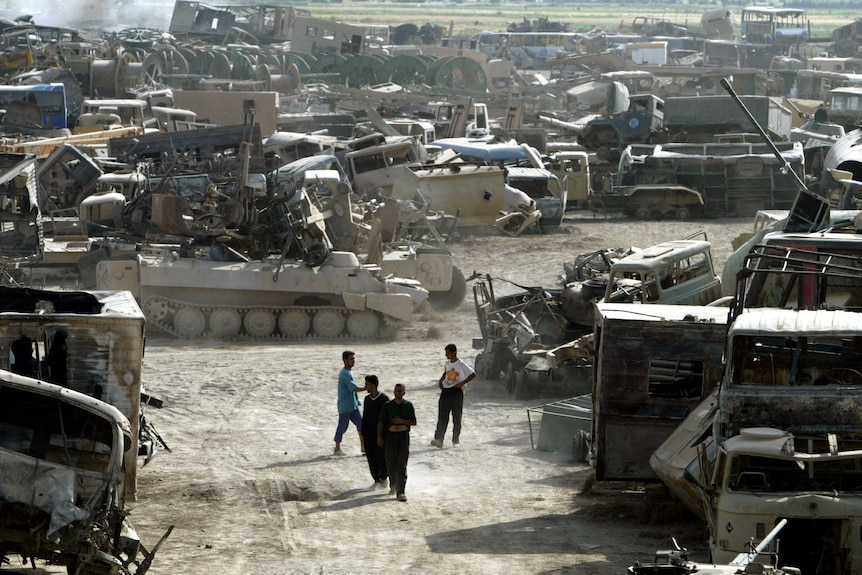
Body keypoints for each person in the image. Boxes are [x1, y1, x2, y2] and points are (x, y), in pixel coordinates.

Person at [431, 343, 475, 448]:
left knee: (456, 417)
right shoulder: (447, 364)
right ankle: (439, 439)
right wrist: (441, 381)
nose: (446, 355)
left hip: (456, 391)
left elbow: (473, 374)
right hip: (446, 391)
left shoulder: (461, 364)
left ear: (454, 353)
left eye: (448, 353)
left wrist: (462, 383)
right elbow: (446, 372)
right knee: (442, 416)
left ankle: (455, 440)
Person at [378, 383, 416, 502]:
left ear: (404, 393)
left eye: (400, 391)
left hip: (403, 436)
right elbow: (381, 422)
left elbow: (413, 422)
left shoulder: (408, 405)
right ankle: (393, 485)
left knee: (402, 464)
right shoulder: (388, 406)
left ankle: (401, 491)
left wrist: (402, 421)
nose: (398, 393)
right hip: (390, 436)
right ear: (394, 392)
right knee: (390, 462)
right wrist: (379, 436)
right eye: (396, 391)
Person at [333, 350, 366, 456]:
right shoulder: (345, 373)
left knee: (361, 425)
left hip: (352, 405)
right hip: (345, 406)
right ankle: (337, 448)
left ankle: (363, 447)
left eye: (353, 359)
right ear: (345, 360)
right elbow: (353, 388)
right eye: (351, 359)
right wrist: (366, 388)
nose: (353, 361)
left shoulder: (348, 372)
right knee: (342, 427)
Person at [361, 374, 389, 488]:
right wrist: (362, 434)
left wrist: (383, 435)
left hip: (380, 434)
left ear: (373, 385)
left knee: (380, 456)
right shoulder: (367, 399)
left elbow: (386, 418)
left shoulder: (383, 399)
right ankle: (376, 479)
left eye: (367, 384)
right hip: (368, 433)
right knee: (370, 457)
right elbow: (365, 416)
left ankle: (384, 477)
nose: (365, 386)